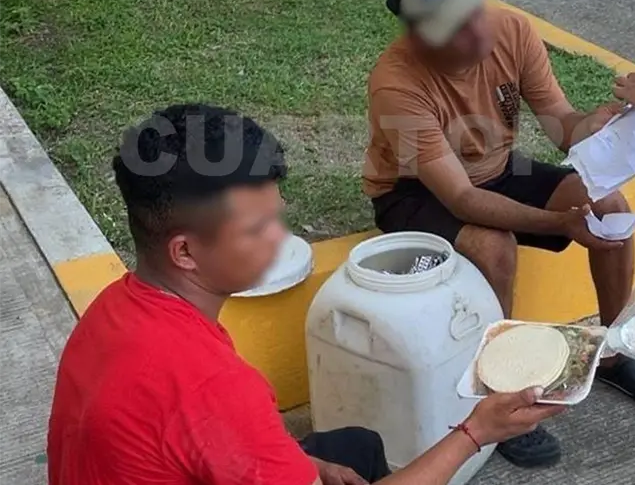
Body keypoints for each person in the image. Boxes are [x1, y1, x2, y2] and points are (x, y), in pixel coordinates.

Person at [47, 104, 565, 485]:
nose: (281, 238)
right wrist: (476, 432)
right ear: (185, 251)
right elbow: (208, 412)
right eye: (258, 229)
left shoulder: (113, 310)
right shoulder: (214, 388)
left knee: (356, 448)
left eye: (278, 216)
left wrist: (303, 465)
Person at [363, 0, 635, 469]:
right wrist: (561, 224)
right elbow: (462, 200)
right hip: (413, 192)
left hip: (497, 167)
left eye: (474, 12)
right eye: (453, 28)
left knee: (608, 206)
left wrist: (599, 126)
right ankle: (499, 395)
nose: (476, 34)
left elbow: (561, 124)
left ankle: (611, 352)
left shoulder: (512, 30)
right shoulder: (397, 84)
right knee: (494, 247)